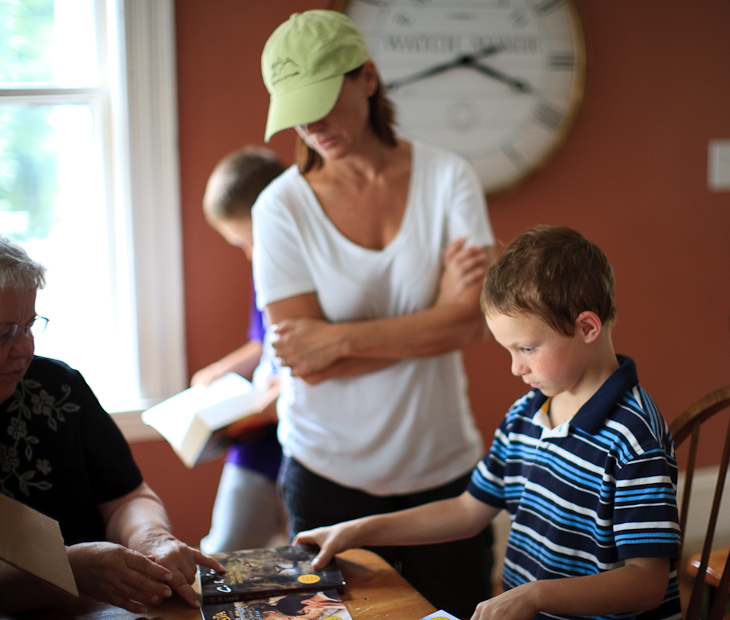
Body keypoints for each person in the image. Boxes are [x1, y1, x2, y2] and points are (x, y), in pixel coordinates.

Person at [294, 226, 682, 620]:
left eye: (527, 348)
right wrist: (358, 531)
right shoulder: (526, 414)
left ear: (587, 327)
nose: (516, 367)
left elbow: (645, 583)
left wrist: (534, 596)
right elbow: (468, 510)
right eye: (509, 350)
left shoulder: (635, 440)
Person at [253, 10, 496, 617]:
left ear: (366, 78)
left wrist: (338, 341)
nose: (311, 124)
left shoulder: (449, 178)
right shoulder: (279, 209)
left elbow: (472, 323)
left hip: (445, 473)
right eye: (296, 110)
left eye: (322, 100)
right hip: (326, 475)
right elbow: (306, 364)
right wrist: (435, 315)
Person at [0, 235, 225, 614]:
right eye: (4, 333)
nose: (25, 348)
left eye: (30, 325)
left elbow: (126, 497)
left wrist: (151, 538)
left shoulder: (57, 387)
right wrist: (68, 571)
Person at [191, 146, 287, 553]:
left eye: (251, 240)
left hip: (298, 437)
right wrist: (222, 367)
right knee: (224, 549)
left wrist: (276, 396)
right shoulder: (263, 270)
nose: (249, 253)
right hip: (257, 442)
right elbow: (261, 340)